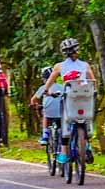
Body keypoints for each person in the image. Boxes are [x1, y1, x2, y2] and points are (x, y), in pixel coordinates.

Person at [38, 38, 97, 166]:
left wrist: (46, 91)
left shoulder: (59, 66)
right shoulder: (85, 65)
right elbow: (93, 82)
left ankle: (64, 153)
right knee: (87, 119)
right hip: (85, 97)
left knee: (65, 123)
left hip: (70, 99)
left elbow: (50, 82)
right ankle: (87, 146)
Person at [28, 66, 63, 146]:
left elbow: (33, 100)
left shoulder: (43, 88)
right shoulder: (62, 87)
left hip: (49, 112)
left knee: (45, 115)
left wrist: (34, 105)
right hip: (62, 112)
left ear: (44, 78)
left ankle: (45, 135)